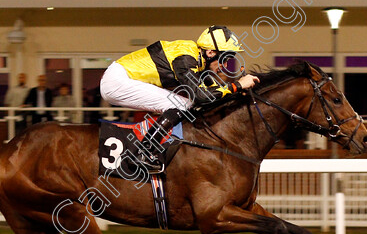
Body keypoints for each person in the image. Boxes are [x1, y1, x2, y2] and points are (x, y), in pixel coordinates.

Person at [99, 25, 259, 173]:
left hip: (120, 79)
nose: (225, 65)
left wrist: (237, 92)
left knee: (185, 104)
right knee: (182, 104)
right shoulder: (185, 58)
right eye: (225, 58)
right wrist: (237, 85)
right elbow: (202, 97)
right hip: (117, 81)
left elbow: (214, 93)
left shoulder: (199, 60)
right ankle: (143, 152)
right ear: (211, 52)